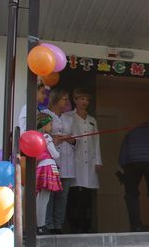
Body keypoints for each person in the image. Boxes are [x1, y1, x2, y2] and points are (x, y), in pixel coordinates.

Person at [68, 88, 102, 233]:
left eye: (87, 99)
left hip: (90, 160)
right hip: (74, 160)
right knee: (75, 194)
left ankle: (86, 226)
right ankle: (75, 226)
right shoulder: (69, 117)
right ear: (75, 100)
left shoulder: (92, 120)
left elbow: (96, 141)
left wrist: (98, 160)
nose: (84, 102)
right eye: (82, 99)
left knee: (88, 196)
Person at [44, 89, 76, 234]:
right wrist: (54, 139)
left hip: (68, 159)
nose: (67, 102)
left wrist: (70, 139)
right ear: (55, 100)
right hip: (52, 159)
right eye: (64, 99)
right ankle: (48, 225)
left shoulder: (69, 118)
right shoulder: (45, 114)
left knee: (63, 197)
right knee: (50, 195)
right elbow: (42, 134)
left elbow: (76, 139)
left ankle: (58, 226)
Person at [35, 113, 62, 235]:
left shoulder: (37, 137)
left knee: (39, 198)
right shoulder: (46, 137)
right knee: (44, 199)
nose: (51, 127)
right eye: (50, 124)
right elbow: (55, 155)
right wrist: (55, 144)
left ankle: (38, 224)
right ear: (44, 125)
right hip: (48, 167)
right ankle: (41, 225)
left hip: (40, 167)